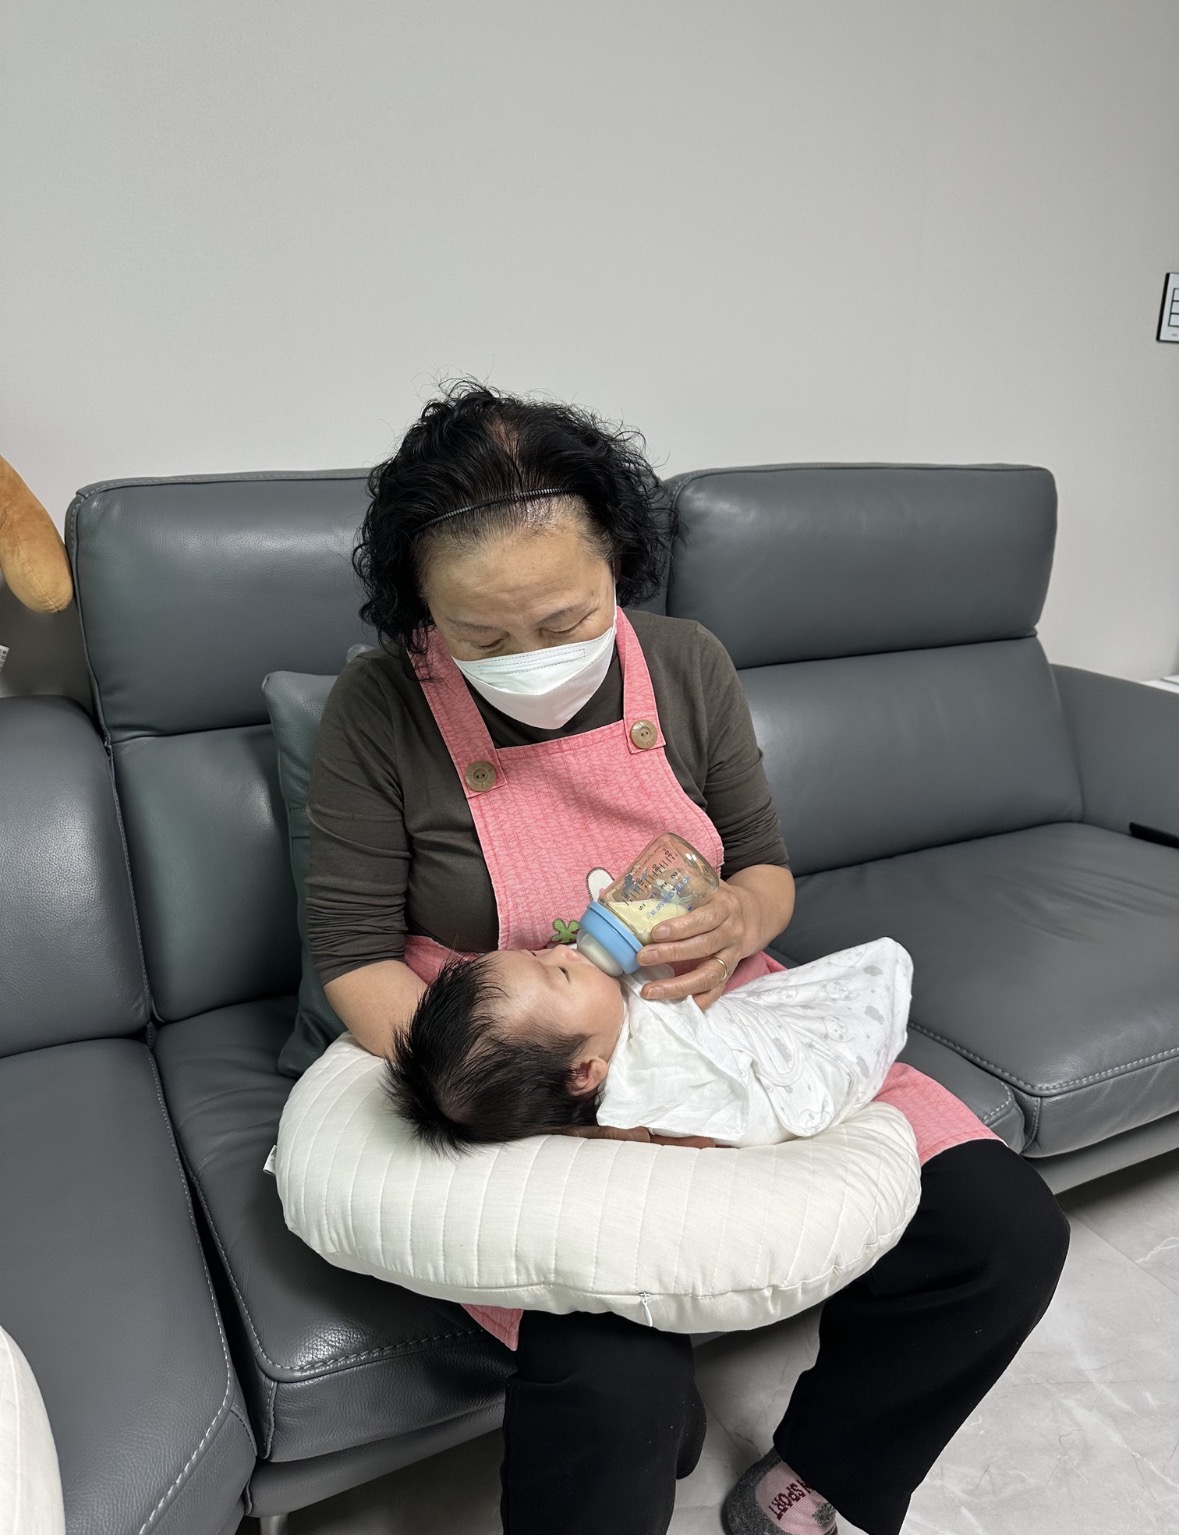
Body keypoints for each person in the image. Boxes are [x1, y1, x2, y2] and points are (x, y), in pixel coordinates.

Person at [304, 380, 1070, 1535]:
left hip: (711, 1011)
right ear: (422, 608)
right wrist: (520, 1088)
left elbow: (764, 869)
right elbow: (354, 956)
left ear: (620, 564)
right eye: (482, 637)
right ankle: (657, 1425)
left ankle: (825, 1476)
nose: (529, 659)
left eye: (564, 618)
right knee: (615, 1381)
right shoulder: (379, 707)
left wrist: (739, 920)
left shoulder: (686, 663)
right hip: (518, 1057)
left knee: (1001, 1234)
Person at [387, 937, 913, 1149]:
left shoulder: (591, 1045)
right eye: (561, 974)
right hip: (785, 1077)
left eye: (538, 953)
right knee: (864, 990)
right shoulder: (650, 1087)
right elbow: (711, 1124)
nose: (564, 951)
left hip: (742, 1021)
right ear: (583, 1073)